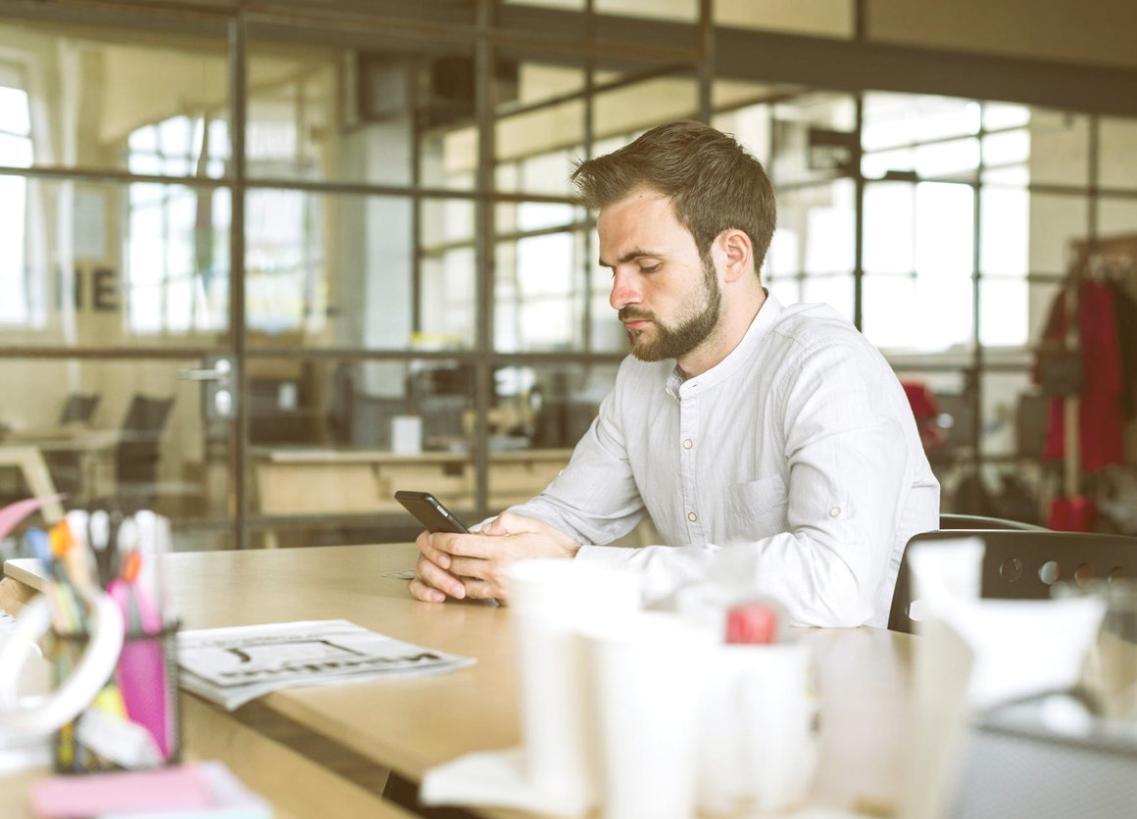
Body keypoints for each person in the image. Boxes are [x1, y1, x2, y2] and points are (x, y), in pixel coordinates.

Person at [410, 120, 939, 627]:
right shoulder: (641, 379)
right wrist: (470, 553)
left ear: (732, 255)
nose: (619, 296)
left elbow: (834, 584)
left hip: (844, 679)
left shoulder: (827, 368)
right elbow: (566, 518)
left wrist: (574, 571)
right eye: (614, 271)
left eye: (647, 266)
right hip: (699, 667)